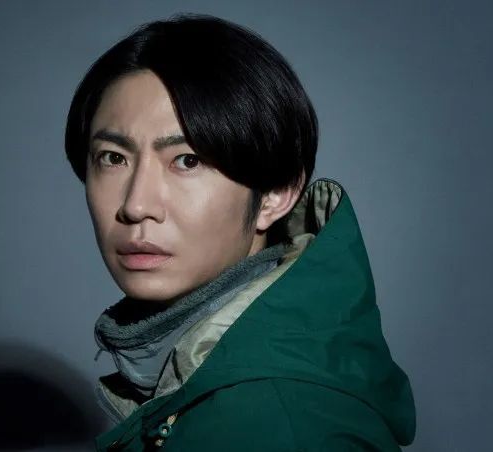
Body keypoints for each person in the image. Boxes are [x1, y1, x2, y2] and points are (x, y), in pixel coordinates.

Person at [65, 13, 415, 451]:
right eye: (113, 158)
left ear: (275, 194)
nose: (136, 206)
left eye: (188, 161)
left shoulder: (283, 426)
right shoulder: (227, 397)